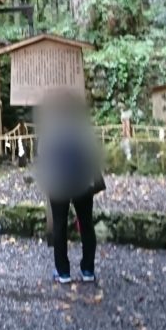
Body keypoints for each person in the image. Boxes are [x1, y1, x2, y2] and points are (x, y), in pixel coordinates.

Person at [35, 91, 105, 284]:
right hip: (82, 182)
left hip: (58, 183)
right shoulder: (82, 125)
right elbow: (93, 151)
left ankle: (63, 271)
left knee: (59, 226)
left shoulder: (50, 126)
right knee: (86, 224)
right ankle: (88, 269)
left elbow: (42, 152)